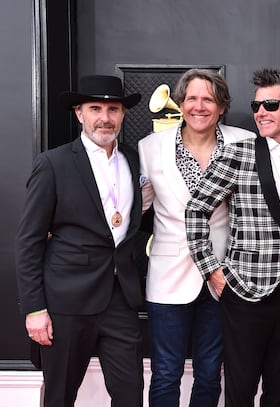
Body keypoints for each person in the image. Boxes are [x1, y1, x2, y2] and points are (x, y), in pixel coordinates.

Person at [185, 68, 280, 407]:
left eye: (270, 105)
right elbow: (196, 210)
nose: (260, 112)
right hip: (244, 291)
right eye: (257, 106)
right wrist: (212, 271)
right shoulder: (239, 153)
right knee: (240, 392)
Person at [15, 75, 145, 407]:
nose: (105, 117)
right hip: (66, 303)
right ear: (79, 114)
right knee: (59, 395)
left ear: (123, 114)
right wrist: (34, 309)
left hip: (120, 300)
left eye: (113, 109)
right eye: (95, 108)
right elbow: (29, 241)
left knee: (130, 393)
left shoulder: (133, 160)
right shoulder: (53, 164)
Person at [138, 69, 256, 406]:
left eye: (209, 99)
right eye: (192, 98)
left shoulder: (245, 142)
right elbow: (133, 207)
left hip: (223, 277)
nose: (199, 106)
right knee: (165, 374)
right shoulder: (150, 147)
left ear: (221, 106)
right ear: (180, 103)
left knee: (209, 373)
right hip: (167, 277)